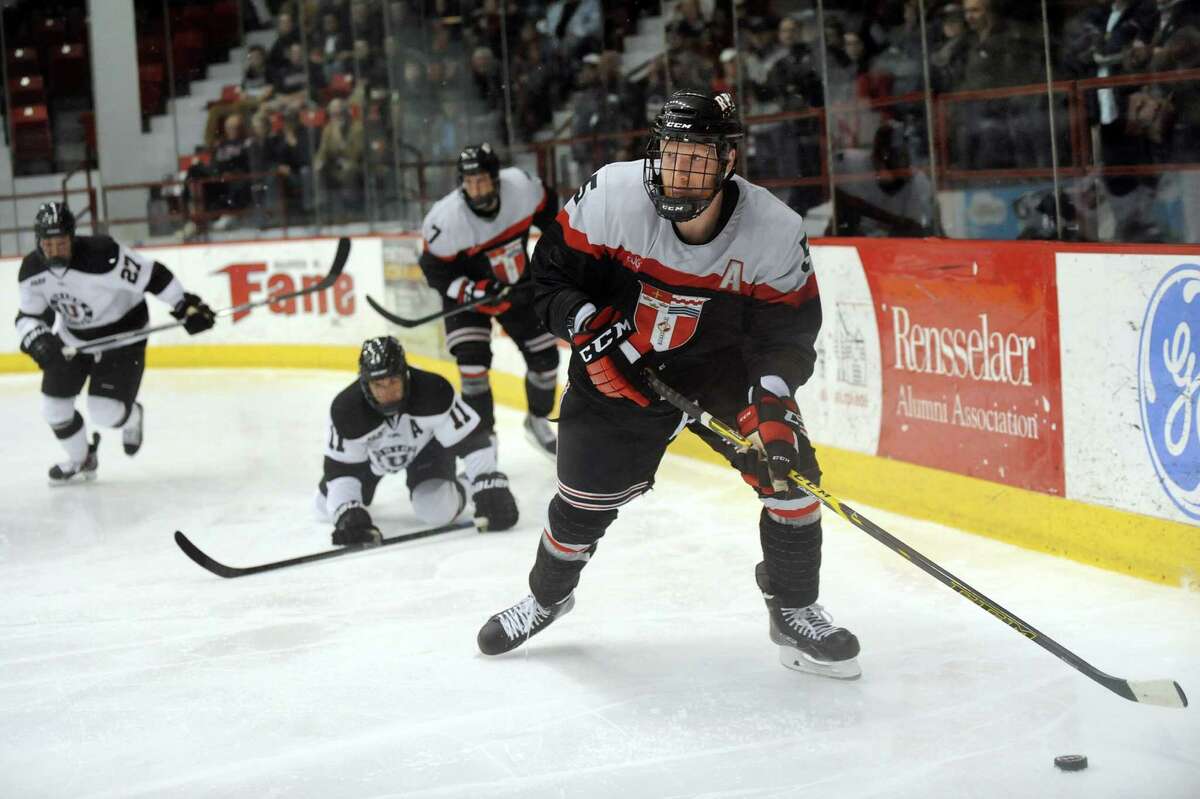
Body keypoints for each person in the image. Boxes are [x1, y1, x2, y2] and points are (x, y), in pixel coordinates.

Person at [476, 91, 862, 680]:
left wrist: (775, 402)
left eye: (698, 156)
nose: (679, 170)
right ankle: (547, 597)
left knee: (792, 475)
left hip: (724, 373)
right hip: (624, 364)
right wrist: (585, 328)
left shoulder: (774, 231)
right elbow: (546, 280)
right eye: (671, 152)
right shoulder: (610, 195)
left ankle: (793, 606)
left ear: (729, 161)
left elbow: (786, 333)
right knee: (581, 505)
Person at [14, 202, 216, 484]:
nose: (55, 251)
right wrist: (37, 340)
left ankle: (132, 417)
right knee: (53, 409)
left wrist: (185, 305)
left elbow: (153, 275)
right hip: (75, 339)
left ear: (72, 238)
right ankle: (82, 459)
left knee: (105, 413)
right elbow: (28, 317)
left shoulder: (103, 256)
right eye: (48, 245)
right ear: (38, 243)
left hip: (124, 337)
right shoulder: (32, 271)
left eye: (61, 243)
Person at [417, 143, 561, 458]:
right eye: (468, 182)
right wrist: (473, 291)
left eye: (481, 180)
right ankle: (483, 442)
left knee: (547, 361)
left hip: (517, 287)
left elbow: (553, 218)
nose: (475, 188)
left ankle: (536, 422)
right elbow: (434, 270)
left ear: (496, 178)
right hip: (469, 297)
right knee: (472, 368)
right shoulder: (446, 219)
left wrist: (549, 263)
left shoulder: (522, 188)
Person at [316, 336, 518, 543]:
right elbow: (341, 471)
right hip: (371, 461)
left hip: (426, 451)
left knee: (437, 511)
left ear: (405, 375)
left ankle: (466, 482)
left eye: (393, 381)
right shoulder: (346, 410)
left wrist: (487, 484)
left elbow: (473, 442)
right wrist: (347, 512)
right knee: (324, 507)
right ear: (365, 384)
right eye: (379, 384)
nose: (388, 392)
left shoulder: (434, 392)